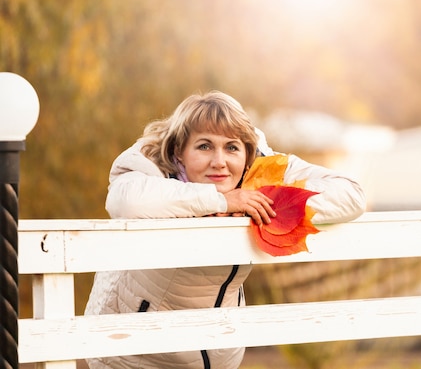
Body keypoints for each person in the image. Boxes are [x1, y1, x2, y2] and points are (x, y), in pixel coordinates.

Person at [84, 91, 366, 369]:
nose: (219, 161)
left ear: (246, 154)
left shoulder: (261, 167)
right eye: (204, 146)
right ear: (179, 151)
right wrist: (219, 200)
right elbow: (126, 201)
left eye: (231, 147)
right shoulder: (149, 158)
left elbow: (351, 196)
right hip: (132, 353)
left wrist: (260, 203)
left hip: (219, 353)